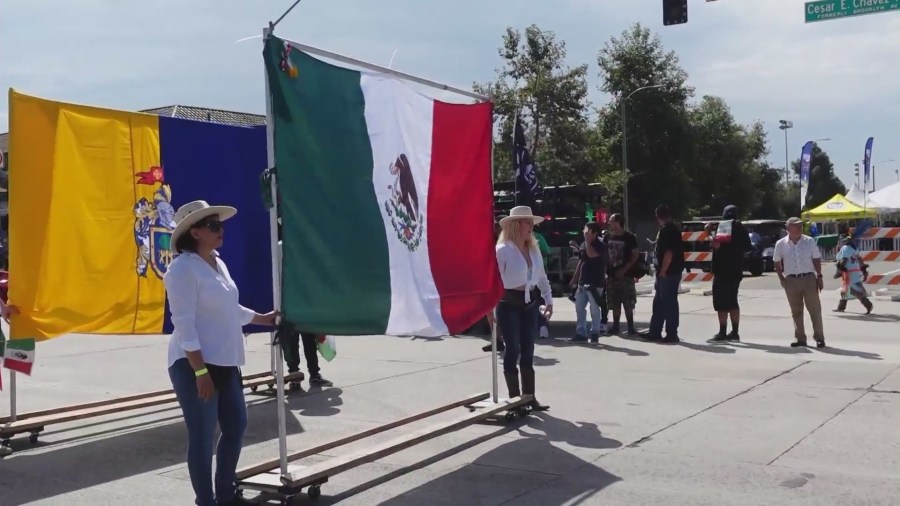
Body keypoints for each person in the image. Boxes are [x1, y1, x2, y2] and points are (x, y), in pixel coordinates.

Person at [164, 200, 278, 506]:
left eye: (220, 224)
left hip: (226, 361)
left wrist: (263, 318)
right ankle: (207, 500)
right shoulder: (182, 269)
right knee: (202, 435)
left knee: (236, 425)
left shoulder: (218, 262)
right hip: (194, 365)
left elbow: (230, 308)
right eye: (214, 225)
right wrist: (200, 371)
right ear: (195, 232)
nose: (220, 230)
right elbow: (184, 323)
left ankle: (226, 493)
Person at [496, 205, 553, 412]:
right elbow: (494, 281)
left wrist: (548, 299)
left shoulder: (533, 249)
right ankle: (514, 400)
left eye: (531, 222)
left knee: (528, 349)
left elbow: (542, 277)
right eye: (527, 222)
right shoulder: (502, 250)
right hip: (508, 302)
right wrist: (490, 310)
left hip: (529, 302)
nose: (531, 226)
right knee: (513, 349)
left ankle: (529, 397)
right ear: (515, 224)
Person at [276, 240, 333, 388]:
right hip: (288, 304)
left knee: (310, 342)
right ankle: (294, 375)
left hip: (306, 304)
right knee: (291, 342)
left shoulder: (305, 248)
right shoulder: (280, 248)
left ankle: (314, 374)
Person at [773, 217, 826, 348]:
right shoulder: (781, 244)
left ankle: (819, 337)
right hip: (791, 280)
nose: (799, 228)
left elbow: (816, 259)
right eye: (796, 226)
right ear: (788, 228)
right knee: (796, 311)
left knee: (815, 310)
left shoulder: (809, 241)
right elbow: (776, 261)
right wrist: (781, 278)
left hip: (809, 278)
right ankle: (800, 338)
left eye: (800, 225)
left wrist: (819, 276)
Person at [710, 205, 752, 342]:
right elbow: (747, 248)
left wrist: (708, 233)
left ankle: (722, 332)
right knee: (733, 301)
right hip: (736, 270)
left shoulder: (724, 226)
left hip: (722, 270)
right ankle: (735, 332)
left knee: (721, 303)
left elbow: (717, 245)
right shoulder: (741, 228)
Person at [643, 205, 683, 343]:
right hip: (668, 271)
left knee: (669, 302)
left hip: (669, 273)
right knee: (659, 302)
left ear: (657, 216)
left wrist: (663, 271)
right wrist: (655, 245)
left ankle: (672, 334)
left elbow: (669, 253)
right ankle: (655, 332)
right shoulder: (669, 229)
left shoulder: (667, 230)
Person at [569, 222, 607, 343]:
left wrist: (587, 241)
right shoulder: (584, 244)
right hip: (583, 281)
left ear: (595, 233)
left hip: (595, 282)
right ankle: (581, 332)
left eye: (588, 231)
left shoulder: (600, 245)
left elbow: (591, 254)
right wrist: (575, 278)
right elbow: (582, 261)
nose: (585, 232)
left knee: (594, 308)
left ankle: (595, 332)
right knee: (579, 307)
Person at [605, 213, 639, 335]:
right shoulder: (607, 237)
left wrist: (625, 269)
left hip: (626, 276)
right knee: (614, 302)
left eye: (611, 221)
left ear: (619, 222)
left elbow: (635, 255)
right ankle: (615, 326)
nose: (609, 223)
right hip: (611, 276)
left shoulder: (630, 237)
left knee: (628, 301)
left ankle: (631, 327)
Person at [834, 235, 874, 314]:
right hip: (854, 271)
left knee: (855, 290)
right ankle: (841, 307)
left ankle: (868, 305)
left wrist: (840, 268)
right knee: (845, 289)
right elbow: (860, 260)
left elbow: (844, 260)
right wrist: (863, 271)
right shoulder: (854, 249)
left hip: (849, 272)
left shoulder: (846, 248)